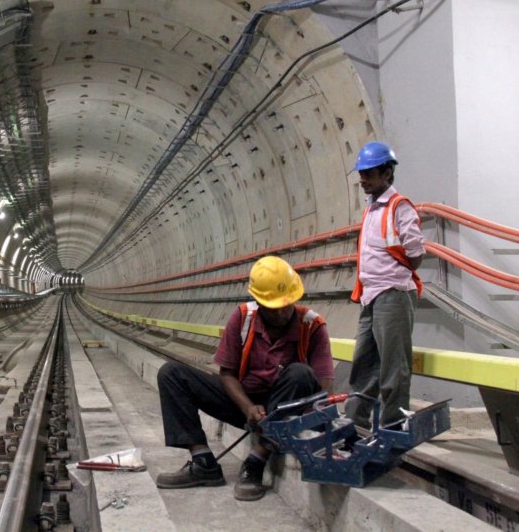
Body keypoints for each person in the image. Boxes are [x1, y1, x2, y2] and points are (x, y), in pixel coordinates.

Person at [156, 256, 334, 501]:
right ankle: (203, 462)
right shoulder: (243, 318)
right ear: (259, 302)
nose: (283, 312)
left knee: (300, 373)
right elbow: (227, 374)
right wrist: (248, 407)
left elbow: (323, 386)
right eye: (274, 307)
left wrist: (297, 416)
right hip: (244, 404)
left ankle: (256, 462)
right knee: (172, 374)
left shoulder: (311, 325)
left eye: (287, 304)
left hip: (285, 409)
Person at [344, 141, 425, 429]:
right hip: (371, 295)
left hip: (393, 293)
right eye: (361, 174)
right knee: (364, 363)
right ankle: (354, 422)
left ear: (387, 173)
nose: (363, 180)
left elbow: (415, 254)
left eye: (369, 174)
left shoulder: (399, 207)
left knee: (393, 365)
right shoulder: (371, 208)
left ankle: (394, 425)